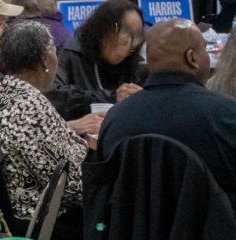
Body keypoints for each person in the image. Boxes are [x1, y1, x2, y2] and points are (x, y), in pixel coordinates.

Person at [0, 21, 94, 240]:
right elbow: (74, 186)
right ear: (45, 59)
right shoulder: (30, 107)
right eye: (53, 50)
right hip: (41, 220)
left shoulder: (0, 95)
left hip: (17, 210)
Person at [98, 18, 236, 198]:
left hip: (132, 225)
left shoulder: (115, 118)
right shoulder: (226, 115)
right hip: (212, 224)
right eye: (204, 49)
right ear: (192, 58)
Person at [49, 0, 146, 120]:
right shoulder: (70, 54)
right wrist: (110, 98)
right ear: (102, 30)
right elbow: (53, 95)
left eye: (136, 36)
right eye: (123, 31)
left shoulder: (137, 63)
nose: (129, 43)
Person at [3, 0, 70, 50]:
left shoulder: (13, 33)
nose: (3, 4)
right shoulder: (58, 26)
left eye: (6, 0)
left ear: (16, 2)